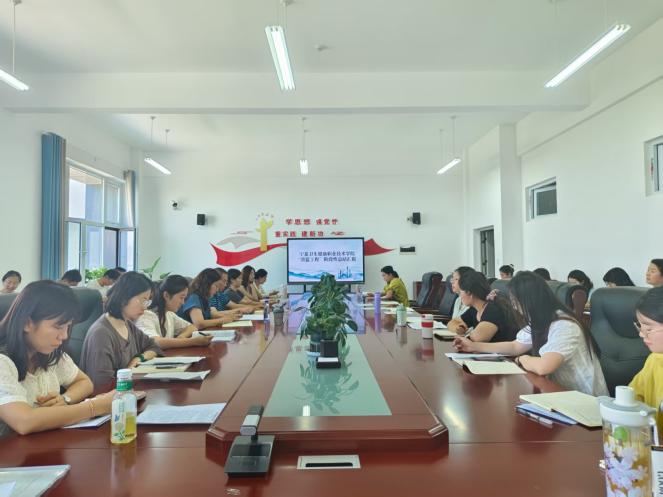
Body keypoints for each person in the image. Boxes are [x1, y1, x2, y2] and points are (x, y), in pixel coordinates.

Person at [454, 271, 608, 396]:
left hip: (586, 402)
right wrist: (473, 346)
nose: (515, 307)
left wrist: (522, 359)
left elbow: (544, 367)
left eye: (516, 302)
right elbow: (515, 346)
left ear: (530, 300)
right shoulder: (541, 319)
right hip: (559, 394)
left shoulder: (564, 325)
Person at [0, 281, 114, 436]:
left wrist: (65, 399)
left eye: (68, 326)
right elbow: (24, 421)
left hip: (40, 445)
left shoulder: (48, 352)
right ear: (27, 323)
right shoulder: (3, 361)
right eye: (58, 327)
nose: (64, 335)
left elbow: (84, 382)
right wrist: (94, 407)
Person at [80, 272, 163, 388]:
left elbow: (154, 347)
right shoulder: (101, 334)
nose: (145, 307)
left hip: (129, 392)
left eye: (147, 302)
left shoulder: (127, 324)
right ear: (124, 298)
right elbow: (102, 386)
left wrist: (139, 359)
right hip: (112, 397)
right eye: (142, 300)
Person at [135, 275, 213, 349]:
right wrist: (193, 341)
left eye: (184, 298)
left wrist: (181, 337)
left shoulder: (169, 314)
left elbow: (192, 327)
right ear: (166, 295)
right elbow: (155, 342)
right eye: (181, 297)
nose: (183, 303)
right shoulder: (145, 316)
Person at [452, 270, 521, 343]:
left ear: (469, 293)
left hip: (506, 350)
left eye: (460, 292)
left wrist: (467, 333)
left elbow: (478, 338)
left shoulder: (493, 309)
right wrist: (459, 328)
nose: (460, 296)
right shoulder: (475, 309)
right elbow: (452, 322)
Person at [630, 287, 663, 434]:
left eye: (648, 328)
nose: (642, 334)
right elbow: (632, 399)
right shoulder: (655, 360)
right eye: (640, 326)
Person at [446, 266, 475, 333]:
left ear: (466, 281)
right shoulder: (458, 300)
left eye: (456, 279)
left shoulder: (473, 302)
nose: (452, 282)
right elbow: (452, 323)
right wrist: (456, 328)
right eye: (452, 279)